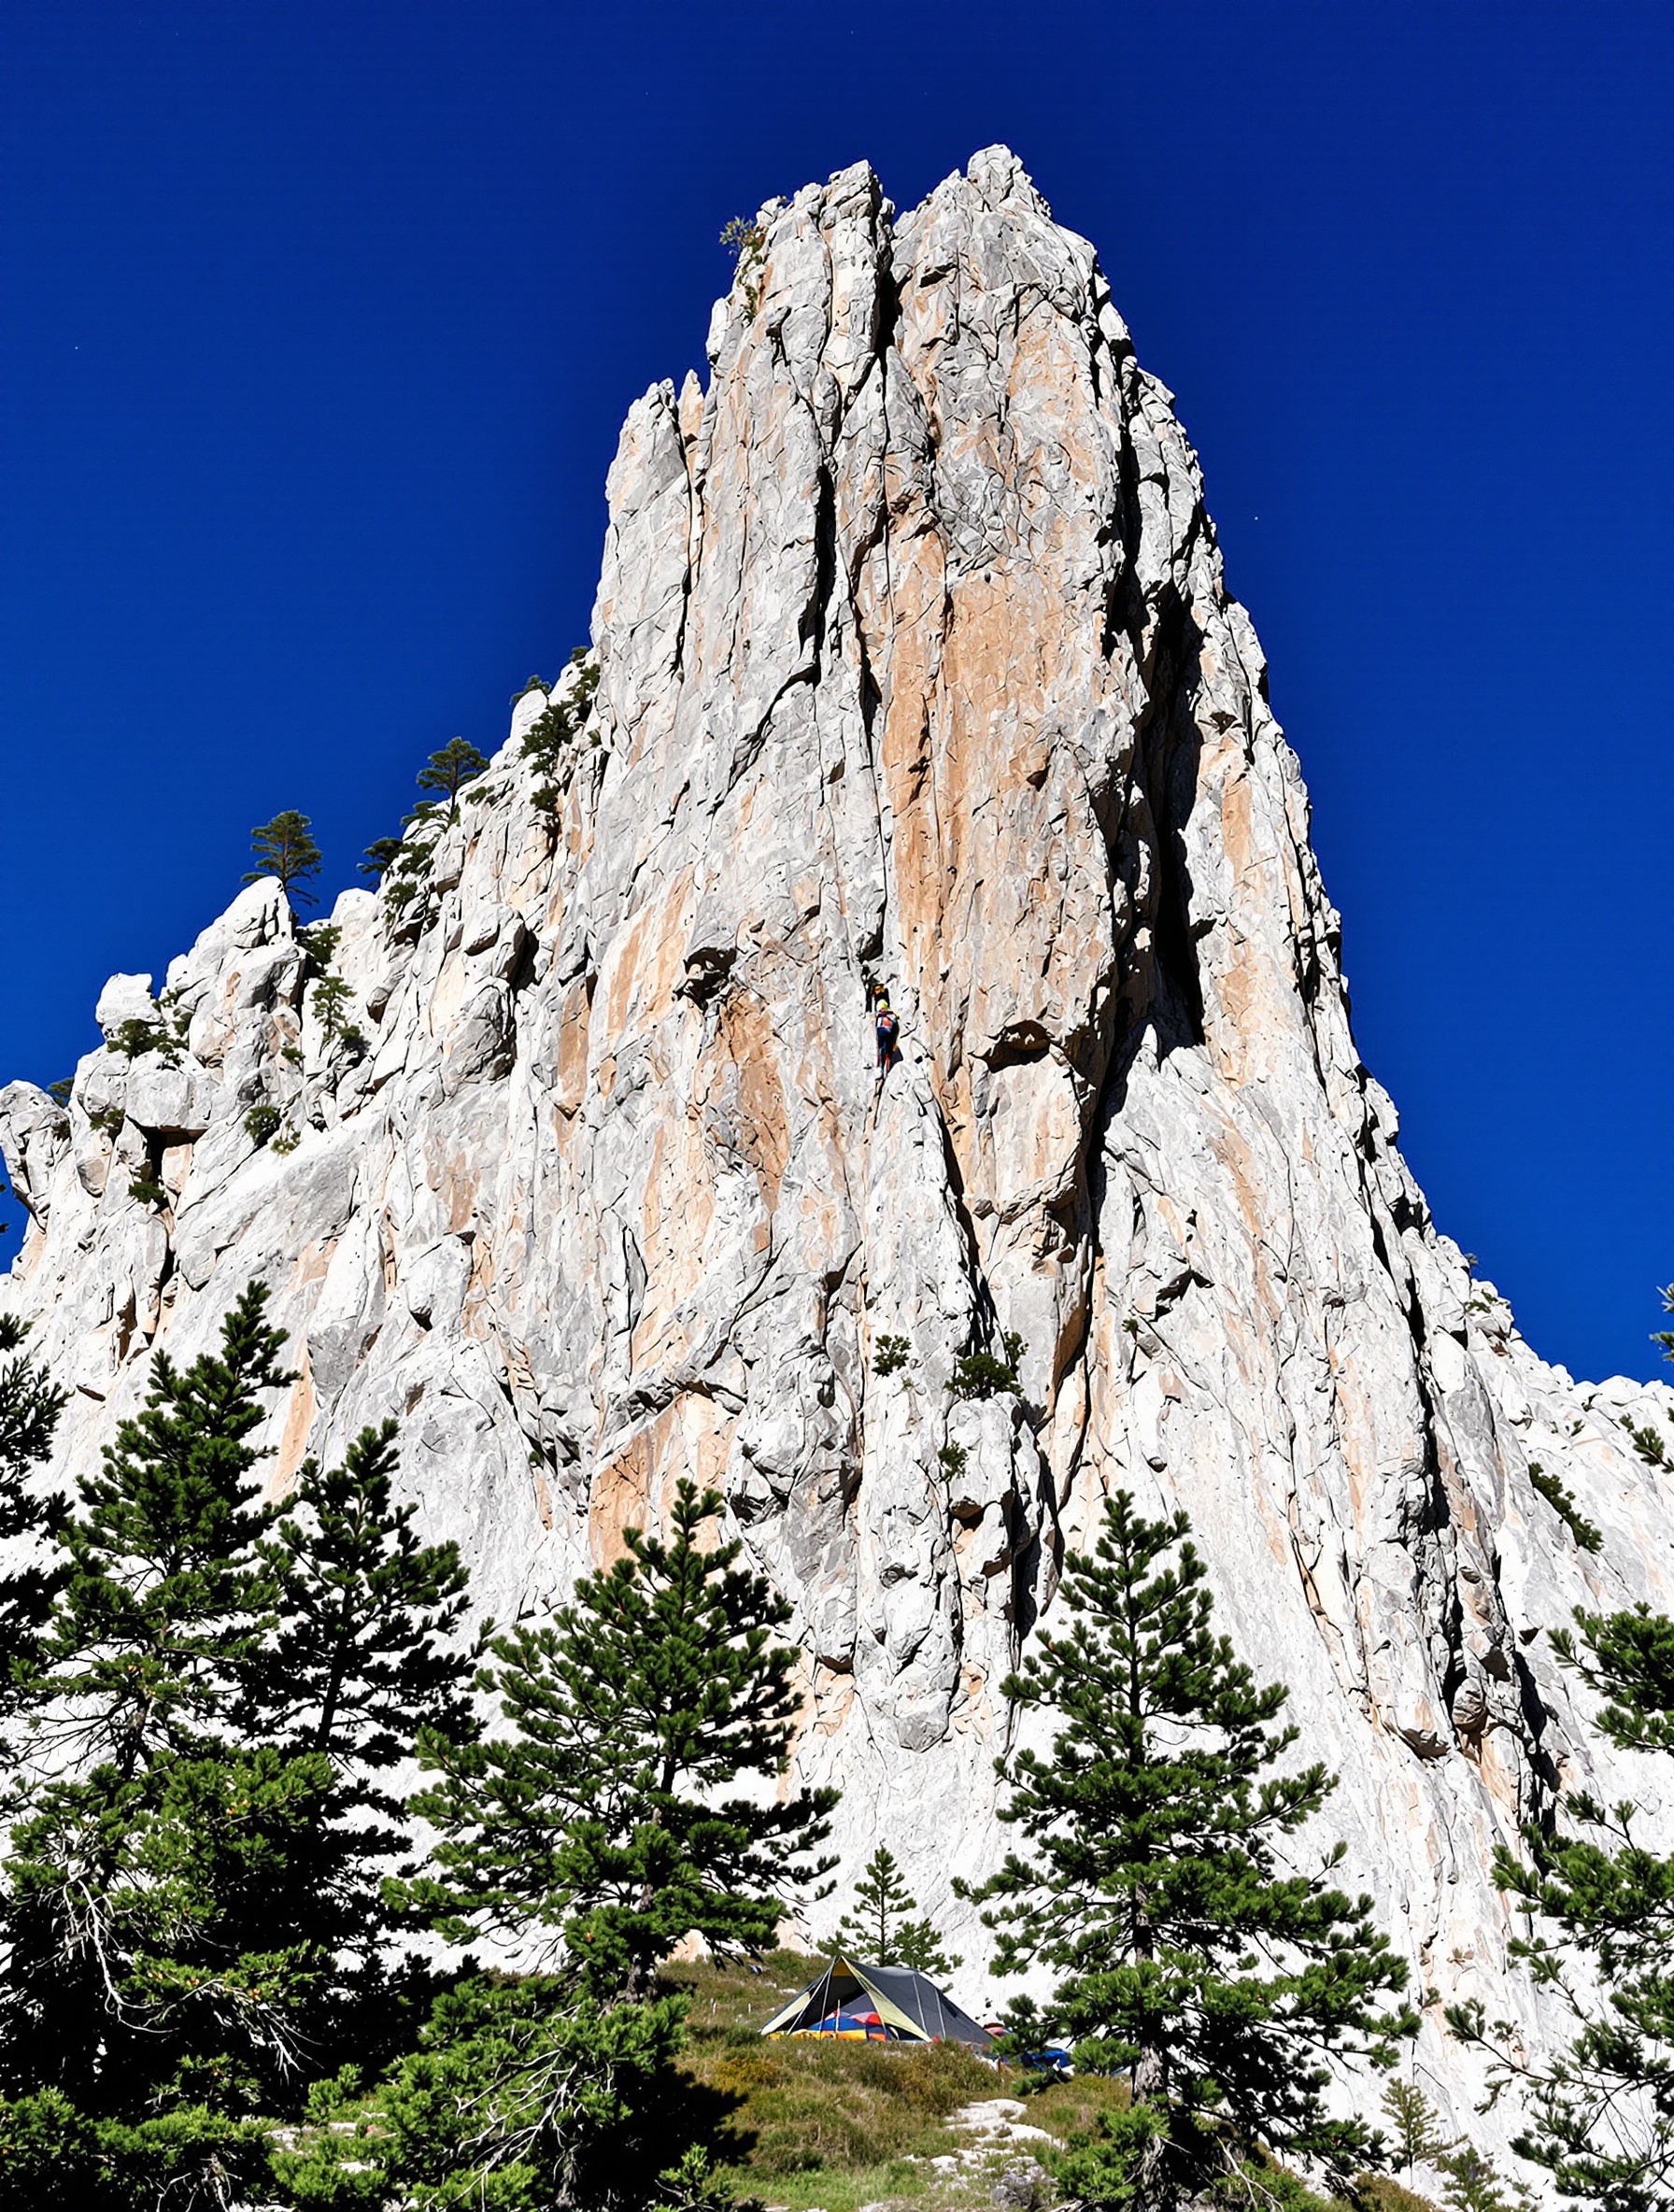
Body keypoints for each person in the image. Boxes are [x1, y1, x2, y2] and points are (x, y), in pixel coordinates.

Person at [873, 988, 900, 1076]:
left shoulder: (878, 1015)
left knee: (881, 1048)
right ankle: (887, 1070)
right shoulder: (891, 1013)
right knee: (888, 1051)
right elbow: (896, 1022)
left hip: (880, 1030)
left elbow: (876, 1027)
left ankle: (880, 1068)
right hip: (889, 1030)